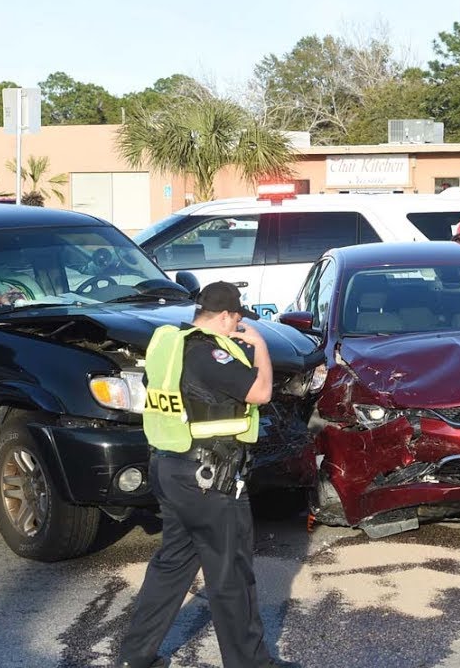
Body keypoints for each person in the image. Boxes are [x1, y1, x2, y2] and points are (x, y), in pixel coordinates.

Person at [118, 281, 298, 668]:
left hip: (171, 467)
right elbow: (260, 392)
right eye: (237, 319)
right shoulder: (208, 353)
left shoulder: (169, 346)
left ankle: (135, 656)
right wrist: (260, 348)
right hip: (210, 477)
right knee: (230, 572)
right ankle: (250, 663)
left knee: (172, 565)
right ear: (222, 316)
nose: (239, 326)